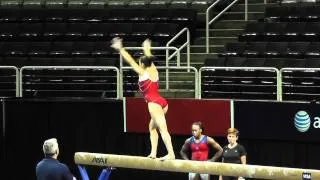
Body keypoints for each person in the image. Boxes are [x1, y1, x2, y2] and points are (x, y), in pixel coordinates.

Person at [110, 37, 175, 160]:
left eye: (139, 62)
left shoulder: (142, 72)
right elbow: (149, 58)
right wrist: (146, 47)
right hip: (162, 103)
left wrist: (120, 48)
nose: (138, 63)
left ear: (141, 64)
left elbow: (129, 60)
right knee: (152, 127)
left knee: (162, 129)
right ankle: (153, 153)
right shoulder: (153, 69)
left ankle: (171, 154)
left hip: (154, 103)